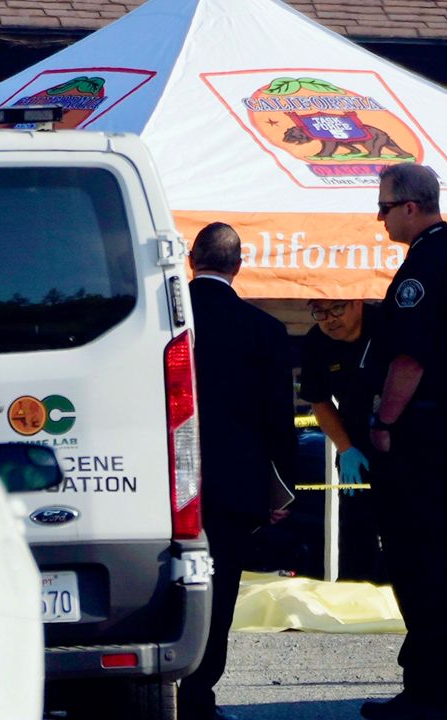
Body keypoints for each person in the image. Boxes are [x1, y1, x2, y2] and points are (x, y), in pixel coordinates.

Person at [361, 164, 447, 720]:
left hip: (420, 428)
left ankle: (433, 689)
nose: (379, 216)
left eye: (384, 206)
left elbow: (409, 357)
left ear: (411, 206)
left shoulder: (425, 265)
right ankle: (434, 684)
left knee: (415, 558)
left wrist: (384, 422)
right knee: (426, 555)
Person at [181, 222, 298, 720]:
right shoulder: (265, 330)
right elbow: (280, 421)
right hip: (235, 486)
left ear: (191, 258)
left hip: (165, 480)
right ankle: (199, 694)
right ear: (238, 264)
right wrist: (282, 492)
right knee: (221, 588)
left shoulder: (163, 320)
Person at [299, 298, 385, 581]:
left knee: (404, 525)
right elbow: (319, 401)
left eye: (336, 309)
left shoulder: (387, 325)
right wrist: (345, 447)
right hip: (354, 437)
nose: (328, 319)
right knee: (356, 525)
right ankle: (356, 590)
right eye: (319, 312)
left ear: (356, 303)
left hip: (401, 435)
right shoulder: (316, 341)